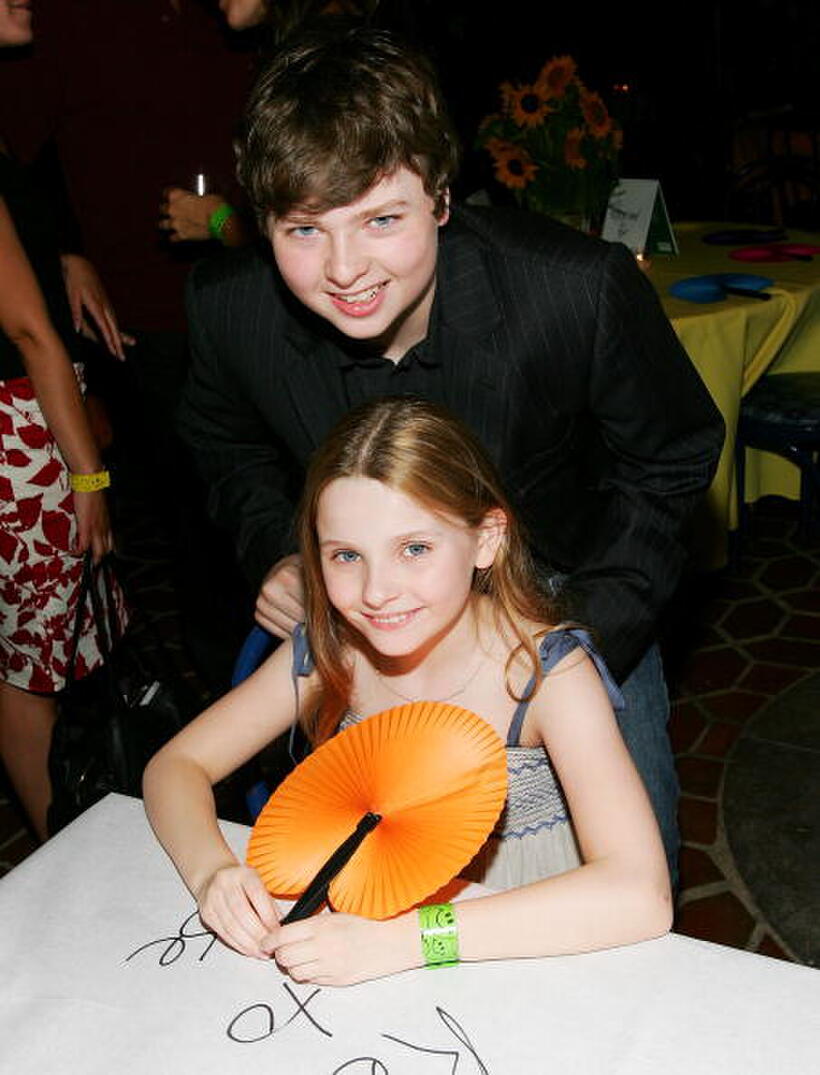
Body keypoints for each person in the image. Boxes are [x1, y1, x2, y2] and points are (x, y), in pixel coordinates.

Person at [177, 24, 725, 880]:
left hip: (571, 590)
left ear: (440, 197)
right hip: (375, 620)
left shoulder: (576, 292)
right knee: (374, 878)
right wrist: (278, 550)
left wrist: (583, 632)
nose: (345, 269)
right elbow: (221, 439)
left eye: (382, 219)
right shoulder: (228, 310)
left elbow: (674, 453)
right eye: (304, 231)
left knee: (629, 869)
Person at [144, 396, 672, 985]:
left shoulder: (545, 674)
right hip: (365, 921)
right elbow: (175, 765)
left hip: (521, 935)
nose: (376, 592)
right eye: (346, 555)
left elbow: (640, 893)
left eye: (414, 549)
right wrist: (211, 871)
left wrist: (407, 942)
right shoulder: (334, 649)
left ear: (486, 540)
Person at [0, 0, 124, 840]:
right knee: (27, 672)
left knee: (29, 654)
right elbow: (28, 328)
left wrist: (67, 253)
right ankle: (63, 860)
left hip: (24, 415)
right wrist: (89, 477)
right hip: (20, 427)